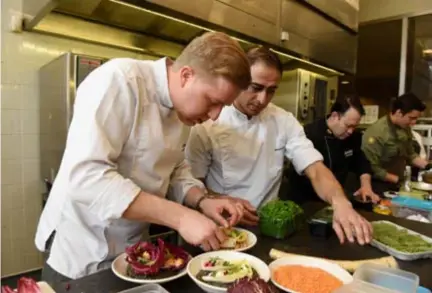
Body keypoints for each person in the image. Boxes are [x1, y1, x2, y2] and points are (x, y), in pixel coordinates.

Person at [35, 32, 251, 282]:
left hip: (132, 253)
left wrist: (201, 200)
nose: (214, 116)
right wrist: (181, 217)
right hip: (79, 251)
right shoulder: (119, 81)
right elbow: (86, 177)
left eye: (222, 106)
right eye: (213, 102)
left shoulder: (182, 110)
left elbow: (174, 167)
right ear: (186, 76)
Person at [186, 47, 372, 246]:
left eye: (271, 90)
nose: (262, 99)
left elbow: (315, 169)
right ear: (239, 80)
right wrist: (222, 201)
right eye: (255, 87)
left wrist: (340, 201)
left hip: (269, 228)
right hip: (221, 229)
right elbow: (193, 182)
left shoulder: (283, 121)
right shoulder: (209, 121)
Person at [287, 95, 380, 204]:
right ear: (335, 116)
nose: (351, 131)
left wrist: (366, 186)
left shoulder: (352, 137)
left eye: (354, 127)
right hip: (306, 201)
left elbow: (361, 162)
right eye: (348, 125)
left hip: (335, 200)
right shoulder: (309, 134)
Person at [362, 93, 431, 194]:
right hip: (378, 186)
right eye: (411, 118)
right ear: (399, 112)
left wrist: (428, 166)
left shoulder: (405, 128)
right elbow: (372, 168)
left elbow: (410, 155)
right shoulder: (377, 133)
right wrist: (398, 180)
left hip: (398, 183)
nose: (414, 123)